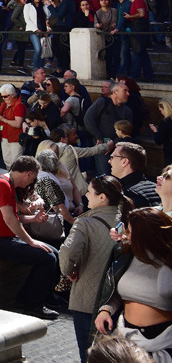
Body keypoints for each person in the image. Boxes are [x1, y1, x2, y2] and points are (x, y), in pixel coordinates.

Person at [0, 155, 61, 320]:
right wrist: (30, 241)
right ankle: (33, 304)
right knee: (47, 258)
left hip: (6, 238)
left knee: (55, 253)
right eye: (33, 178)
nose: (32, 183)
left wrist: (34, 219)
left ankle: (33, 297)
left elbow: (13, 218)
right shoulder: (2, 184)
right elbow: (9, 220)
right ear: (28, 174)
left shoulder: (9, 184)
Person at [61, 175, 127, 363]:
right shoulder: (128, 218)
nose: (85, 195)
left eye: (89, 191)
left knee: (90, 356)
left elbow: (67, 252)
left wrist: (68, 271)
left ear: (102, 197)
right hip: (120, 299)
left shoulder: (84, 222)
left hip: (88, 300)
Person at [96, 207, 172, 360]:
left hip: (163, 342)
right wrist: (106, 310)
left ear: (145, 235)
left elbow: (166, 290)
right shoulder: (127, 255)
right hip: (124, 337)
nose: (126, 236)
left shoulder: (168, 260)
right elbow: (119, 292)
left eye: (130, 232)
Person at [111, 142, 161, 208]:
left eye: (112, 157)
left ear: (124, 161)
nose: (109, 161)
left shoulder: (127, 195)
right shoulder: (156, 188)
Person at [0, 84, 28, 168]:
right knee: (7, 160)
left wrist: (3, 120)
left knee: (16, 162)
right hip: (4, 136)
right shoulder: (4, 105)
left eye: (5, 96)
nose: (3, 98)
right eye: (2, 97)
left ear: (12, 95)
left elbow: (18, 123)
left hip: (15, 138)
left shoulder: (18, 105)